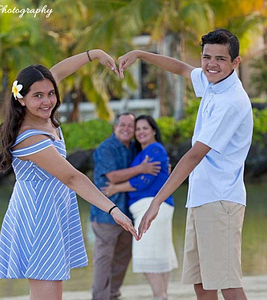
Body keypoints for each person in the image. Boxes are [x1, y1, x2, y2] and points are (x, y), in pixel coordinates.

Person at [118, 29, 253, 300]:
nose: (211, 64)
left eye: (220, 59)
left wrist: (157, 200)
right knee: (201, 283)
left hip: (221, 201)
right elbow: (181, 68)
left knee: (227, 282)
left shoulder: (231, 102)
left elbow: (193, 156)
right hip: (201, 199)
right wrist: (141, 54)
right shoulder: (213, 83)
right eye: (206, 57)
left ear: (235, 63)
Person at [0, 50, 139, 300]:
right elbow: (72, 178)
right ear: (21, 99)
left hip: (51, 209)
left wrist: (94, 55)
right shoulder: (30, 137)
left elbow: (59, 71)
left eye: (50, 93)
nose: (47, 100)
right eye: (37, 96)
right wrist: (113, 210)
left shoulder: (43, 115)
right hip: (40, 215)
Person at [102, 115, 178, 300]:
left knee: (146, 254)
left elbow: (144, 181)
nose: (140, 132)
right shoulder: (143, 153)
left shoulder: (155, 149)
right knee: (159, 255)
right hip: (155, 207)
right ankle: (162, 295)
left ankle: (160, 295)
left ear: (153, 130)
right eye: (138, 129)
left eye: (145, 128)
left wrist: (115, 188)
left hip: (150, 206)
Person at [91, 112, 161, 300]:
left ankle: (113, 295)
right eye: (122, 124)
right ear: (115, 127)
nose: (127, 129)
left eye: (131, 126)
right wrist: (141, 169)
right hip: (106, 214)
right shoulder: (106, 148)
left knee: (122, 258)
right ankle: (100, 297)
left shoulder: (134, 148)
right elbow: (112, 176)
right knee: (104, 260)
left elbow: (152, 172)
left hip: (128, 213)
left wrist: (164, 169)